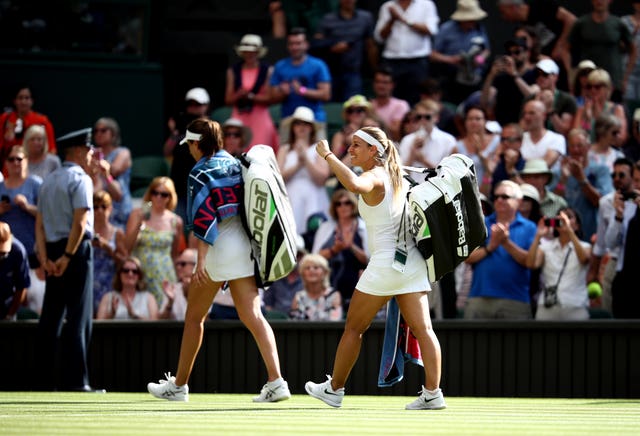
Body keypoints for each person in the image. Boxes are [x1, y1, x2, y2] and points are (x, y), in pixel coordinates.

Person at [147, 118, 290, 403]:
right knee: (254, 316)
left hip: (218, 249)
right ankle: (277, 382)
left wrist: (201, 261)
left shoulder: (199, 171)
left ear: (197, 143)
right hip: (243, 248)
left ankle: (179, 386)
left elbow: (204, 221)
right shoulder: (237, 164)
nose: (188, 149)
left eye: (189, 144)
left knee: (193, 318)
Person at [305, 126, 446, 410]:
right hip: (412, 263)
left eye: (357, 145)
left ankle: (335, 389)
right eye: (350, 144)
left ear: (373, 151)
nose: (351, 149)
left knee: (354, 329)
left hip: (385, 265)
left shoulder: (375, 176)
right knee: (424, 330)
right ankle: (433, 393)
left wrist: (328, 155)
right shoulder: (399, 176)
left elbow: (355, 185)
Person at [34, 128, 98, 392]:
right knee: (79, 316)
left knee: (50, 318)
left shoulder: (47, 181)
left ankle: (44, 382)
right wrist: (68, 256)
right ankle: (77, 382)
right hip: (76, 251)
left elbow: (39, 224)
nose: (93, 155)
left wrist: (46, 258)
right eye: (90, 150)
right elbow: (80, 221)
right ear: (79, 151)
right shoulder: (81, 179)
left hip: (51, 250)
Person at [464, 181, 537, 319]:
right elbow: (466, 258)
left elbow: (530, 262)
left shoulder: (530, 227)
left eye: (505, 197)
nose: (499, 200)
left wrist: (505, 242)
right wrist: (490, 247)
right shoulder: (481, 223)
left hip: (515, 300)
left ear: (518, 201)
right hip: (479, 297)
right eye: (496, 197)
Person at [125, 177, 183, 305]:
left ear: (170, 197)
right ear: (150, 194)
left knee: (165, 310)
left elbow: (174, 254)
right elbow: (127, 247)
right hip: (141, 273)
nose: (158, 197)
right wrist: (139, 224)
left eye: (164, 194)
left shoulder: (176, 221)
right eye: (155, 192)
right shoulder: (137, 214)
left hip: (165, 273)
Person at [526, 208, 591, 320]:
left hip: (575, 306)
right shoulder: (545, 248)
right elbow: (531, 264)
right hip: (547, 307)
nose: (563, 220)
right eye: (559, 217)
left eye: (568, 217)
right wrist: (538, 236)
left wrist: (569, 230)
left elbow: (584, 259)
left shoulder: (585, 247)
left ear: (577, 225)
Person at [588, 157, 635, 314]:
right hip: (615, 262)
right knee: (612, 313)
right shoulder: (606, 202)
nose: (617, 179)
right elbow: (605, 242)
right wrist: (618, 215)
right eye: (613, 175)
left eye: (622, 175)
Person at [496, 0, 576, 89]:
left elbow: (571, 20)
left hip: (567, 58)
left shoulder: (540, 7)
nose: (503, 17)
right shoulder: (523, 27)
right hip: (549, 66)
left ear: (512, 7)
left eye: (503, 12)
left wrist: (561, 45)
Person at [270, 27, 332, 139]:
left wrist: (302, 90)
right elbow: (272, 96)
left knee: (319, 155)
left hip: (315, 121)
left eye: (298, 43)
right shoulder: (280, 66)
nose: (294, 47)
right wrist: (283, 93)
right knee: (285, 155)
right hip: (288, 121)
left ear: (306, 44)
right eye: (291, 44)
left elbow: (326, 94)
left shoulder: (318, 65)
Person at [374, 0, 440, 105]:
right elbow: (379, 37)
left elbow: (430, 30)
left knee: (416, 98)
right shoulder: (387, 6)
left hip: (417, 60)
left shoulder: (426, 4)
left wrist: (403, 19)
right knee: (391, 97)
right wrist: (392, 20)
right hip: (392, 60)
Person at [312, 189, 368, 313]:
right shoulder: (326, 228)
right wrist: (334, 250)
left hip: (358, 281)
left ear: (353, 205)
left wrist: (351, 246)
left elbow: (370, 259)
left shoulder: (364, 226)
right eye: (338, 203)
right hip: (331, 281)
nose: (343, 207)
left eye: (347, 203)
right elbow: (314, 258)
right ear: (334, 207)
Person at [568, 0, 635, 103]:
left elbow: (633, 50)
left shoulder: (618, 23)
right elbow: (567, 48)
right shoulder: (582, 23)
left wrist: (625, 77)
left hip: (613, 79)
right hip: (588, 80)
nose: (600, 1)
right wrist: (571, 73)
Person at [276, 106, 330, 232]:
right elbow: (278, 178)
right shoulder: (284, 149)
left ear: (311, 128)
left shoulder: (319, 147)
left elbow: (322, 178)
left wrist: (306, 159)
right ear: (293, 127)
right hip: (290, 199)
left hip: (314, 199)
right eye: (298, 123)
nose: (302, 127)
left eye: (306, 124)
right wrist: (298, 165)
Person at [313, 0, 377, 102]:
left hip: (354, 71)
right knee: (332, 106)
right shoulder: (328, 19)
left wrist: (374, 69)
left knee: (353, 104)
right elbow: (317, 44)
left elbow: (370, 45)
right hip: (332, 72)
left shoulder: (365, 18)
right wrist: (331, 47)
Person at [429, 0, 490, 105]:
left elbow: (486, 50)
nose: (472, 22)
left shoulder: (479, 28)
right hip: (452, 80)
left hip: (474, 78)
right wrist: (451, 60)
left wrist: (479, 60)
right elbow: (432, 55)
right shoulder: (446, 29)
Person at [556, 128, 612, 241]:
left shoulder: (601, 170)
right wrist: (563, 180)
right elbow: (552, 207)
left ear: (588, 147)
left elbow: (602, 203)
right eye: (572, 146)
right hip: (563, 236)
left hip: (592, 235)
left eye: (580, 145)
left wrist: (581, 178)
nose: (576, 150)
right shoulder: (559, 173)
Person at [225, 34, 279, 151]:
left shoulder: (268, 70)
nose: (249, 54)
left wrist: (251, 96)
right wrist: (238, 95)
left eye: (253, 51)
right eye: (246, 51)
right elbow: (228, 99)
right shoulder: (233, 71)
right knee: (237, 151)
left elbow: (270, 98)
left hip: (260, 116)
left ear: (258, 52)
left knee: (260, 150)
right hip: (239, 116)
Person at [166, 87, 211, 224]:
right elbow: (167, 151)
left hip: (202, 188)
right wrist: (175, 132)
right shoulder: (181, 125)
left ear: (206, 106)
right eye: (191, 105)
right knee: (179, 226)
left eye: (197, 105)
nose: (194, 108)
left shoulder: (212, 128)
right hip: (180, 187)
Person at [604, 160, 640, 318]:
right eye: (637, 180)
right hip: (625, 279)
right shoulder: (626, 204)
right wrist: (618, 216)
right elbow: (610, 243)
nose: (638, 185)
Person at [0, 145, 42, 269]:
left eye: (19, 159)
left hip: (33, 249)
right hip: (5, 250)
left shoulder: (36, 183)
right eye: (11, 159)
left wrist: (27, 207)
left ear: (26, 160)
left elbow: (47, 214)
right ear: (5, 163)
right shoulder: (0, 187)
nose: (15, 163)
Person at [92, 117, 132, 228]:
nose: (99, 134)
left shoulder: (123, 152)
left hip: (119, 208)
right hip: (98, 207)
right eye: (96, 131)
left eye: (103, 130)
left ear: (113, 133)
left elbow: (114, 170)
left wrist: (96, 161)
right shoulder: (92, 155)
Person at [0, 85, 56, 164]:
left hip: (34, 166)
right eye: (20, 98)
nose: (23, 102)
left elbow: (51, 149)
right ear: (14, 100)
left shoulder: (42, 121)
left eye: (27, 98)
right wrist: (7, 138)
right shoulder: (5, 119)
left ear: (32, 101)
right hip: (10, 166)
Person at [92, 190, 127, 316]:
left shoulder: (117, 233)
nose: (99, 211)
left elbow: (124, 262)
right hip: (88, 280)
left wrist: (107, 247)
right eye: (95, 207)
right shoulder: (85, 231)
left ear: (110, 209)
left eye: (103, 206)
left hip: (108, 283)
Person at [573, 69, 628, 146]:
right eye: (589, 87)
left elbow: (621, 139)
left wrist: (598, 116)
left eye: (597, 87)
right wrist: (586, 118)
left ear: (607, 88)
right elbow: (574, 136)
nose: (593, 90)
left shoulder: (617, 109)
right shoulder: (581, 110)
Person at [452, 105, 499, 193]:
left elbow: (491, 169)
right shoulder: (458, 146)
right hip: (466, 193)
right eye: (470, 119)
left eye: (478, 119)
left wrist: (480, 153)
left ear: (485, 121)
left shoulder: (496, 141)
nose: (473, 122)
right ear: (465, 122)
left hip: (489, 190)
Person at [399, 99, 456, 169]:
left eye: (427, 117)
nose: (423, 120)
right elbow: (402, 173)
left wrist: (423, 161)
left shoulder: (448, 140)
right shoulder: (407, 140)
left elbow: (448, 174)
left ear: (437, 118)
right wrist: (412, 155)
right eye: (419, 117)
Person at [529, 59, 577, 137]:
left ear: (555, 76)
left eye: (545, 74)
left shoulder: (567, 99)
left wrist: (550, 110)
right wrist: (535, 106)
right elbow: (523, 127)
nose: (540, 77)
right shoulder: (530, 99)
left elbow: (564, 131)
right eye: (537, 74)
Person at [290, 253, 342, 320]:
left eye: (316, 267)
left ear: (325, 272)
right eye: (307, 268)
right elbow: (293, 324)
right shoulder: (299, 297)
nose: (311, 270)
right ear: (303, 274)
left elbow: (335, 323)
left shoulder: (334, 295)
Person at [369, 66, 411, 142]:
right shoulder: (368, 104)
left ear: (392, 85)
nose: (381, 85)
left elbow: (396, 133)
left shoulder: (401, 105)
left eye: (385, 82)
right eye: (377, 82)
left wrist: (373, 117)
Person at [330, 94, 372, 163]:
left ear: (366, 113)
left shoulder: (372, 127)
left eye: (359, 110)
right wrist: (345, 144)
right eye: (350, 111)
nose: (354, 114)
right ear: (347, 114)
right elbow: (334, 160)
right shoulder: (340, 135)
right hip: (348, 168)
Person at [0, 222, 29, 321]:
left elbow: (21, 287)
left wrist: (10, 315)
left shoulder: (18, 251)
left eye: (3, 253)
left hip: (7, 305)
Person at [159, 248, 197, 321]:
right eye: (177, 264)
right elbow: (160, 321)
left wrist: (188, 295)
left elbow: (207, 321)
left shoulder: (206, 288)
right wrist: (170, 302)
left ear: (195, 266)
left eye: (183, 264)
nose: (178, 267)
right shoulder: (171, 289)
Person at [622, 1, 640, 100]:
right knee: (628, 103)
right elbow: (619, 47)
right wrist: (632, 35)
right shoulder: (624, 22)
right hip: (628, 71)